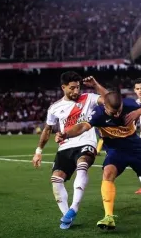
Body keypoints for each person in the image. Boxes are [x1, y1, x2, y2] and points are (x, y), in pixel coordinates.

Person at [55, 91, 141, 231]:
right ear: (105, 106)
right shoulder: (97, 113)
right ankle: (108, 217)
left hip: (137, 149)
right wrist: (65, 134)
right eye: (113, 112)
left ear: (122, 104)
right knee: (108, 173)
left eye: (119, 111)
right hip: (115, 151)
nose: (117, 115)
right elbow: (82, 126)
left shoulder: (129, 104)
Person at [32, 72, 107, 230]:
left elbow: (109, 100)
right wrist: (38, 151)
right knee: (56, 180)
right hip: (65, 146)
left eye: (78, 87)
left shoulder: (89, 98)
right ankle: (67, 215)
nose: (76, 91)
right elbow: (47, 130)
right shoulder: (55, 107)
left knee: (82, 166)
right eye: (72, 88)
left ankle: (74, 207)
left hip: (86, 141)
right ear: (63, 87)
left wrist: (96, 85)